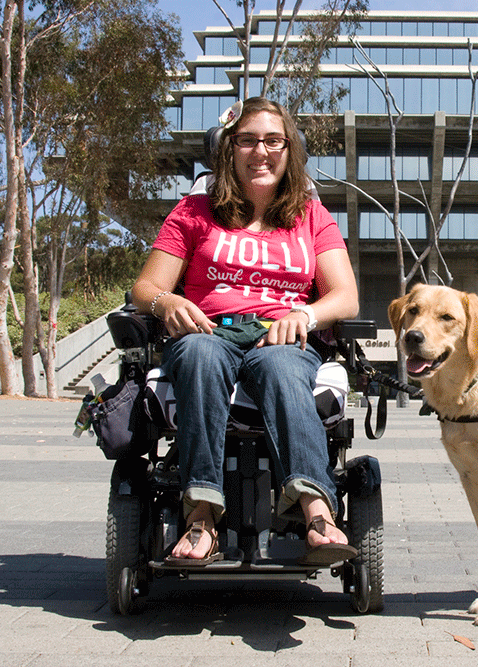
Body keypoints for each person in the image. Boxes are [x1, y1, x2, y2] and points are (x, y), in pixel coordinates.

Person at [131, 97, 359, 566]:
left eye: (274, 141)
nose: (262, 151)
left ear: (289, 151)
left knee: (278, 365)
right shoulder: (195, 211)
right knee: (199, 355)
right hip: (208, 331)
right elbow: (146, 287)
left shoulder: (311, 216)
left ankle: (317, 512)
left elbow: (346, 297)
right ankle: (201, 517)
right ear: (229, 149)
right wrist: (168, 301)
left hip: (281, 336)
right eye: (249, 140)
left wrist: (307, 316)